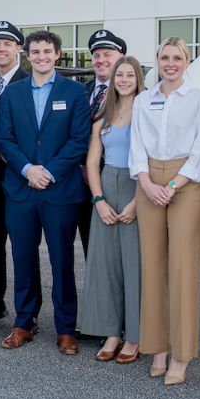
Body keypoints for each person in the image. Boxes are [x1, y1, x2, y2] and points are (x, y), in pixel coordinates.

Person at [129, 36, 200, 385]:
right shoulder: (142, 101)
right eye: (164, 57)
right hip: (149, 179)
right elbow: (136, 144)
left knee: (182, 268)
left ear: (187, 61)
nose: (170, 63)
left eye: (177, 57)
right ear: (157, 61)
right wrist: (147, 183)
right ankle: (158, 347)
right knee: (152, 267)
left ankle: (181, 354)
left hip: (185, 183)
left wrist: (173, 185)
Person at [0, 30, 89, 356]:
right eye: (35, 52)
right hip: (21, 189)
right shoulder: (13, 93)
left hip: (59, 190)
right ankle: (24, 322)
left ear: (57, 54)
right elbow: (4, 138)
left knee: (62, 261)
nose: (41, 57)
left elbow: (79, 140)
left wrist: (47, 172)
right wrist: (27, 170)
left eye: (47, 51)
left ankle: (65, 328)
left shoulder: (75, 92)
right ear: (27, 55)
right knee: (22, 258)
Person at [78, 56, 144, 363]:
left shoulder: (148, 113)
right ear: (113, 79)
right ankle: (111, 332)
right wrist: (98, 200)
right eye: (120, 75)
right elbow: (92, 162)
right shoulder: (102, 117)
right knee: (106, 265)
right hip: (106, 188)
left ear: (138, 78)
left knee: (134, 265)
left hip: (137, 188)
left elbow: (155, 161)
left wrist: (137, 203)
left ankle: (134, 336)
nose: (125, 79)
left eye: (131, 75)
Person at [0, 21, 32, 323]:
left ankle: (27, 313)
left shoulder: (29, 82)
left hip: (20, 177)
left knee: (24, 249)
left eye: (8, 43)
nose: (1, 49)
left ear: (18, 48)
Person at [76, 29, 127, 264]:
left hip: (122, 183)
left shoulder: (136, 95)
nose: (101, 60)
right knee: (92, 250)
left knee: (122, 250)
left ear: (121, 56)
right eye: (96, 55)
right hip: (82, 183)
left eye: (108, 53)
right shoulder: (79, 92)